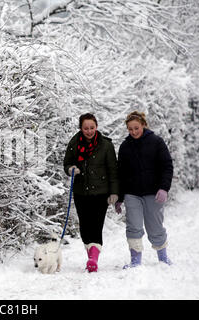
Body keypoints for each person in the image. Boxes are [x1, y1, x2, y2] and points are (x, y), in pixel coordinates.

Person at [115, 111, 173, 268]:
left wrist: (164, 188)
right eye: (130, 129)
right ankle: (135, 261)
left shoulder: (156, 142)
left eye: (136, 128)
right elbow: (120, 174)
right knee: (133, 226)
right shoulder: (125, 146)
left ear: (143, 125)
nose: (133, 132)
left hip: (153, 193)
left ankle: (163, 258)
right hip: (132, 193)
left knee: (155, 226)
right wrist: (120, 198)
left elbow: (167, 166)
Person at [64, 113, 119, 272]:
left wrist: (114, 192)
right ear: (81, 128)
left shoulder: (106, 145)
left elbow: (113, 170)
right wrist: (71, 169)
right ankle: (91, 256)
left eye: (92, 128)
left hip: (101, 193)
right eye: (86, 128)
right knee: (85, 229)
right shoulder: (74, 143)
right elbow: (67, 162)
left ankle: (93, 260)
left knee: (96, 226)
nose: (89, 131)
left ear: (96, 127)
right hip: (81, 192)